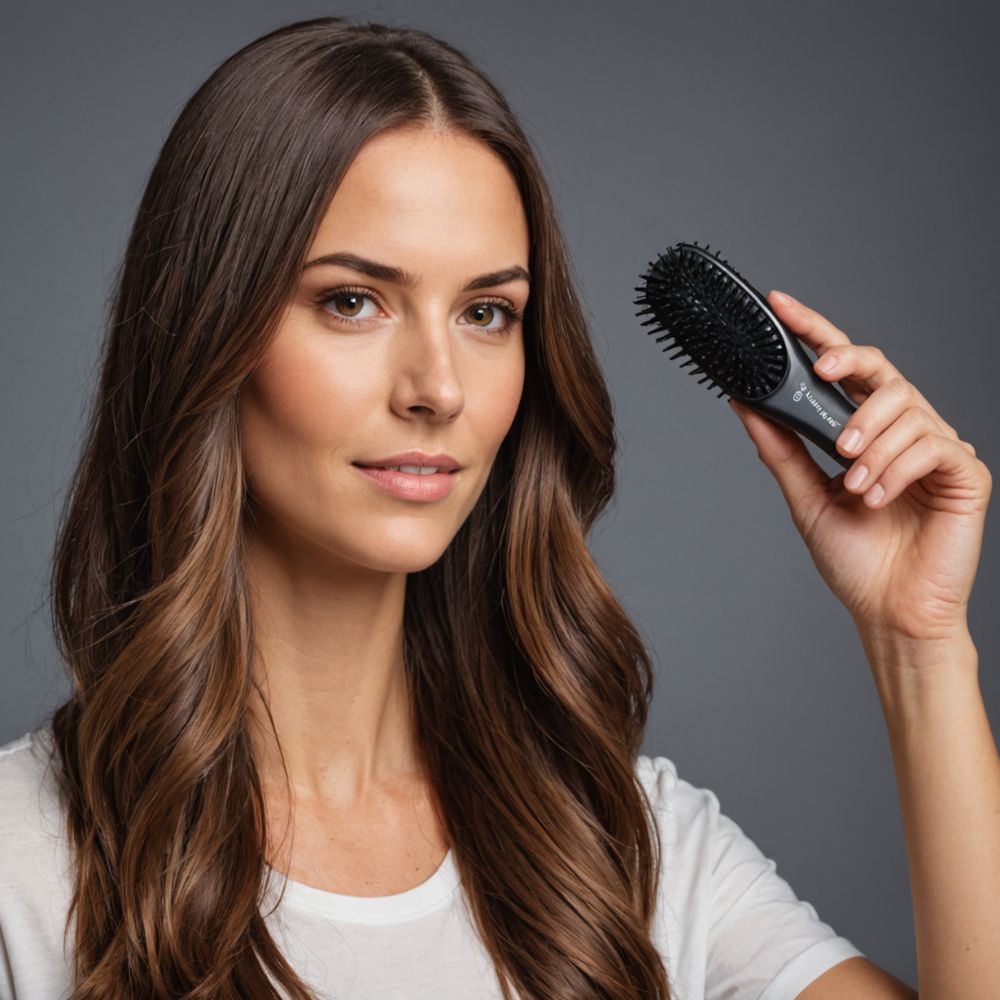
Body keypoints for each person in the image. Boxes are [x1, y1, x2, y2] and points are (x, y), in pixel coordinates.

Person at [1, 14, 996, 1000]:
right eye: (352, 300)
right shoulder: (23, 868)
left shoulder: (618, 850)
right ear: (205, 330)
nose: (439, 388)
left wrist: (919, 645)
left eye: (486, 313)